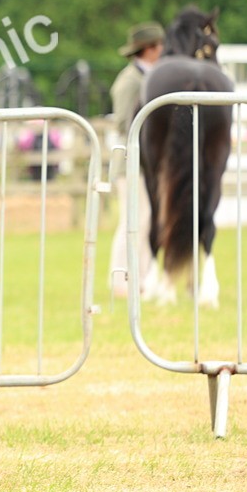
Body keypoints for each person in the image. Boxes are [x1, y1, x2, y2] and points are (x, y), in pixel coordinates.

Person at [108, 21, 164, 297]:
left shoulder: (148, 76)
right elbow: (121, 122)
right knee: (131, 221)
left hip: (146, 162)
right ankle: (121, 280)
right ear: (150, 49)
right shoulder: (129, 81)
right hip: (130, 161)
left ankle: (141, 278)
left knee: (145, 220)